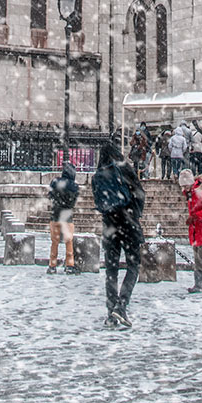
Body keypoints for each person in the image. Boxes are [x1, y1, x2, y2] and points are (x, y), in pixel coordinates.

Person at [91, 139, 144, 328]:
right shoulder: (124, 168)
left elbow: (98, 202)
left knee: (111, 270)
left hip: (109, 226)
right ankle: (121, 306)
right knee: (133, 266)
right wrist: (134, 214)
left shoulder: (97, 175)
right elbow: (139, 192)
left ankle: (111, 311)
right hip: (128, 223)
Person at [47, 161, 79, 273]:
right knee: (68, 241)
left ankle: (52, 265)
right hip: (67, 216)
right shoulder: (74, 186)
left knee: (54, 242)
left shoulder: (55, 182)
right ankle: (70, 265)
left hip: (55, 215)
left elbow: (50, 196)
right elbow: (73, 201)